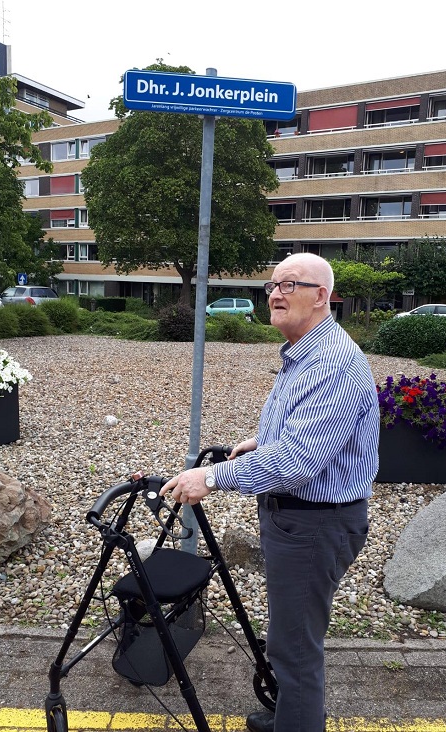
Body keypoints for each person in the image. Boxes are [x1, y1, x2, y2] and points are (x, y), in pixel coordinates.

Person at [161, 253, 379, 732]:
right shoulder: (307, 349)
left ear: (321, 296)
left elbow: (299, 462)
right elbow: (310, 432)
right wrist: (262, 441)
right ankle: (291, 714)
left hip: (313, 522)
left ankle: (298, 721)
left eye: (289, 285)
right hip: (302, 519)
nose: (275, 294)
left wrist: (212, 478)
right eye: (272, 285)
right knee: (291, 637)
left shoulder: (333, 364)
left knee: (294, 648)